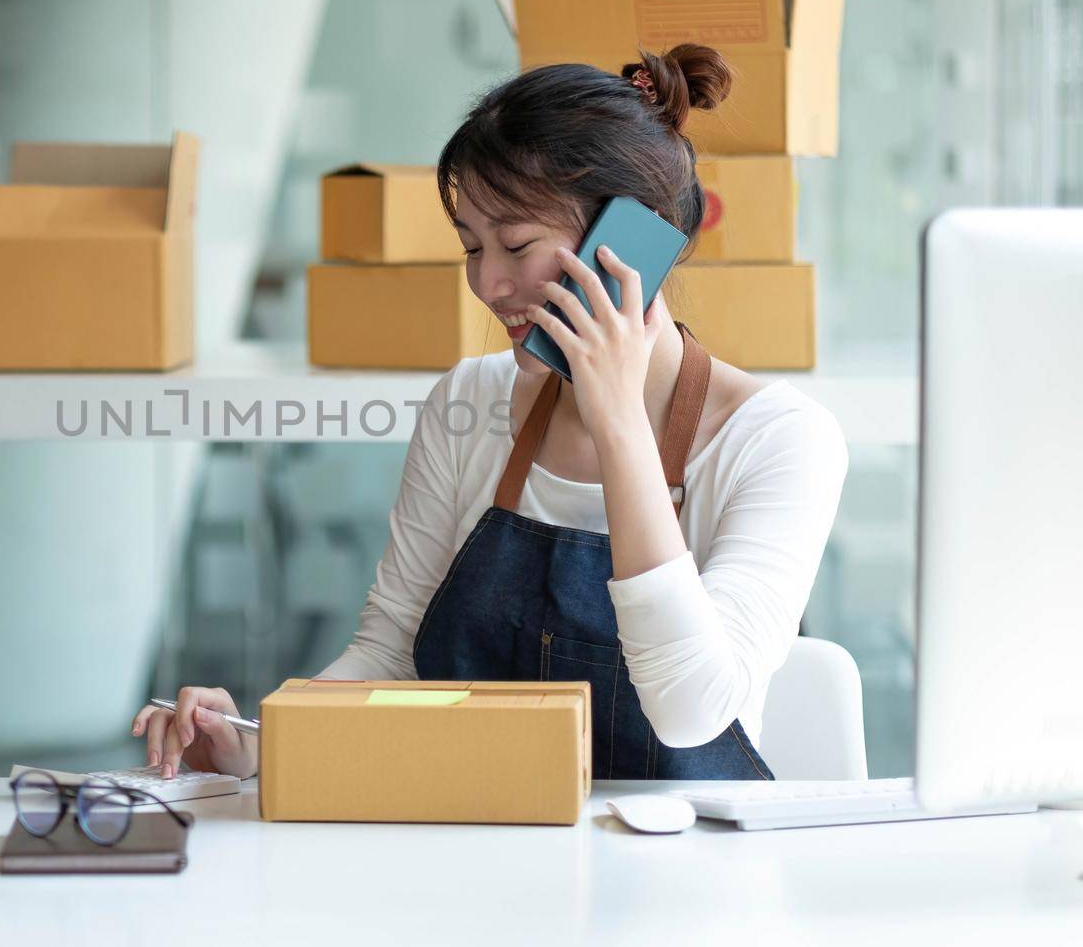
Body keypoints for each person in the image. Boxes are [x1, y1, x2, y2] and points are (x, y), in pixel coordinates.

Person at [132, 42, 848, 781]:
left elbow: (693, 708)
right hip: (475, 845)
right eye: (472, 246)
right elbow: (393, 652)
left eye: (517, 243)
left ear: (630, 240)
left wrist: (618, 421)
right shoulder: (467, 404)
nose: (489, 282)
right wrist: (263, 742)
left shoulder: (781, 440)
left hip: (681, 875)